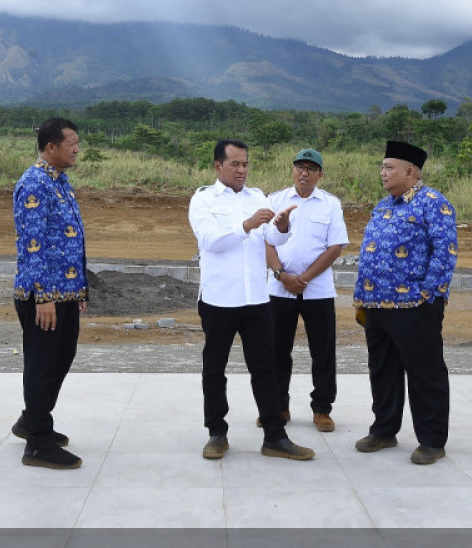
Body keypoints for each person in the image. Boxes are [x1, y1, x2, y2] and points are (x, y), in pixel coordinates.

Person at [189, 139, 316, 462]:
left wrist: (282, 229)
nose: (242, 170)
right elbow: (210, 241)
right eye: (235, 164)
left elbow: (269, 238)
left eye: (245, 164)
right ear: (218, 166)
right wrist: (246, 224)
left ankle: (275, 436)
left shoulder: (257, 197)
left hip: (256, 299)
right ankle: (217, 433)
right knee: (214, 368)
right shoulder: (203, 200)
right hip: (219, 299)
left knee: (265, 367)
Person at [352, 141, 457, 465]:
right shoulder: (383, 206)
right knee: (382, 372)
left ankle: (432, 440)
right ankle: (384, 430)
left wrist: (428, 296)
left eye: (389, 167)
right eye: (382, 167)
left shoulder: (432, 203)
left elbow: (445, 252)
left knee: (425, 375)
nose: (382, 173)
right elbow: (369, 251)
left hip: (414, 308)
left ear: (410, 171)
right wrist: (361, 297)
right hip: (376, 306)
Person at [11, 117, 88, 470]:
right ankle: (38, 443)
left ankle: (31, 420)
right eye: (71, 143)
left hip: (67, 292)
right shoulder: (35, 184)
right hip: (44, 297)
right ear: (50, 147)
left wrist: (79, 289)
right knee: (42, 366)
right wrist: (43, 297)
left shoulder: (60, 181)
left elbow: (70, 239)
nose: (77, 149)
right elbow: (33, 244)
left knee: (62, 357)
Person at [264, 148, 349, 432]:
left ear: (320, 174)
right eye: (300, 166)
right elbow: (266, 243)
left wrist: (305, 278)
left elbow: (335, 247)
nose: (305, 172)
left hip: (318, 291)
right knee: (276, 351)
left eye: (311, 168)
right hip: (279, 289)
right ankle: (278, 407)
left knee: (322, 352)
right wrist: (281, 275)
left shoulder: (330, 204)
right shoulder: (274, 201)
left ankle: (322, 409)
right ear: (292, 170)